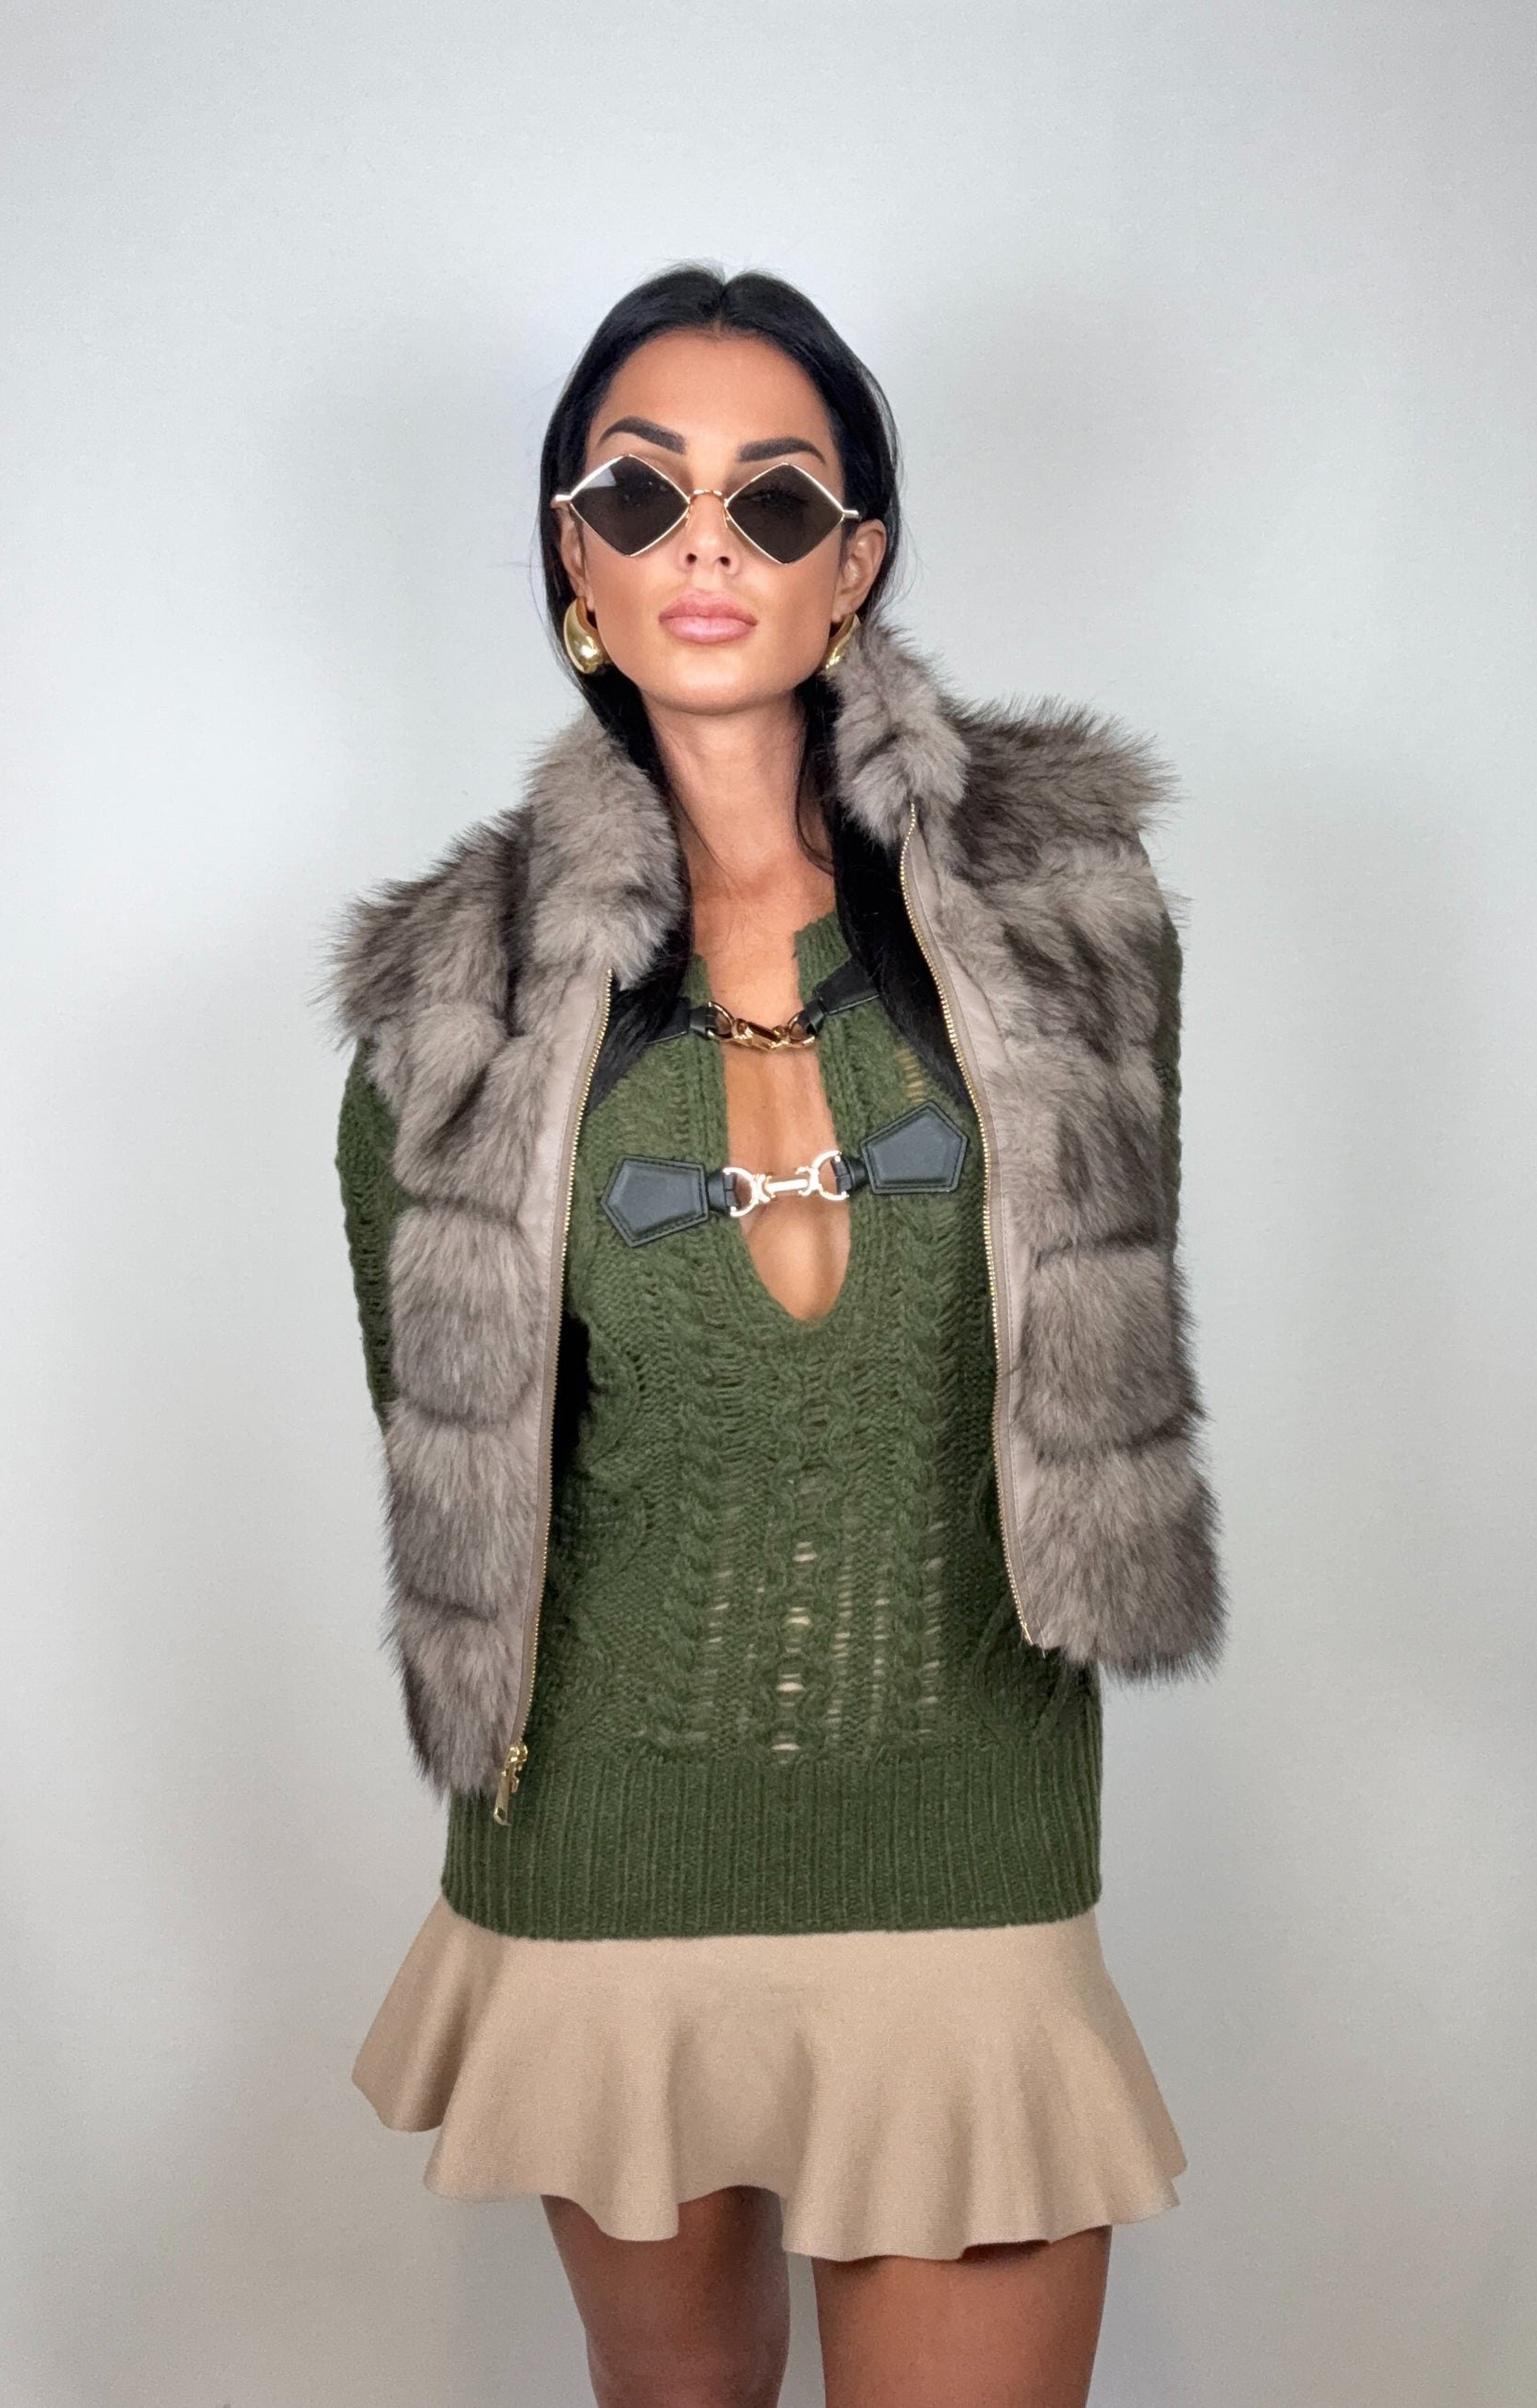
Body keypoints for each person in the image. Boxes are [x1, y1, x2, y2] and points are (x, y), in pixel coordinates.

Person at [327, 263, 1224, 2408]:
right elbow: (470, 1478)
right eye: (639, 495)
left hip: (965, 1835)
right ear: (575, 559)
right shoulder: (448, 1010)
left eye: (775, 498)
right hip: (604, 1852)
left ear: (857, 563)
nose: (705, 544)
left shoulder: (1068, 924)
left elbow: (1089, 1369)